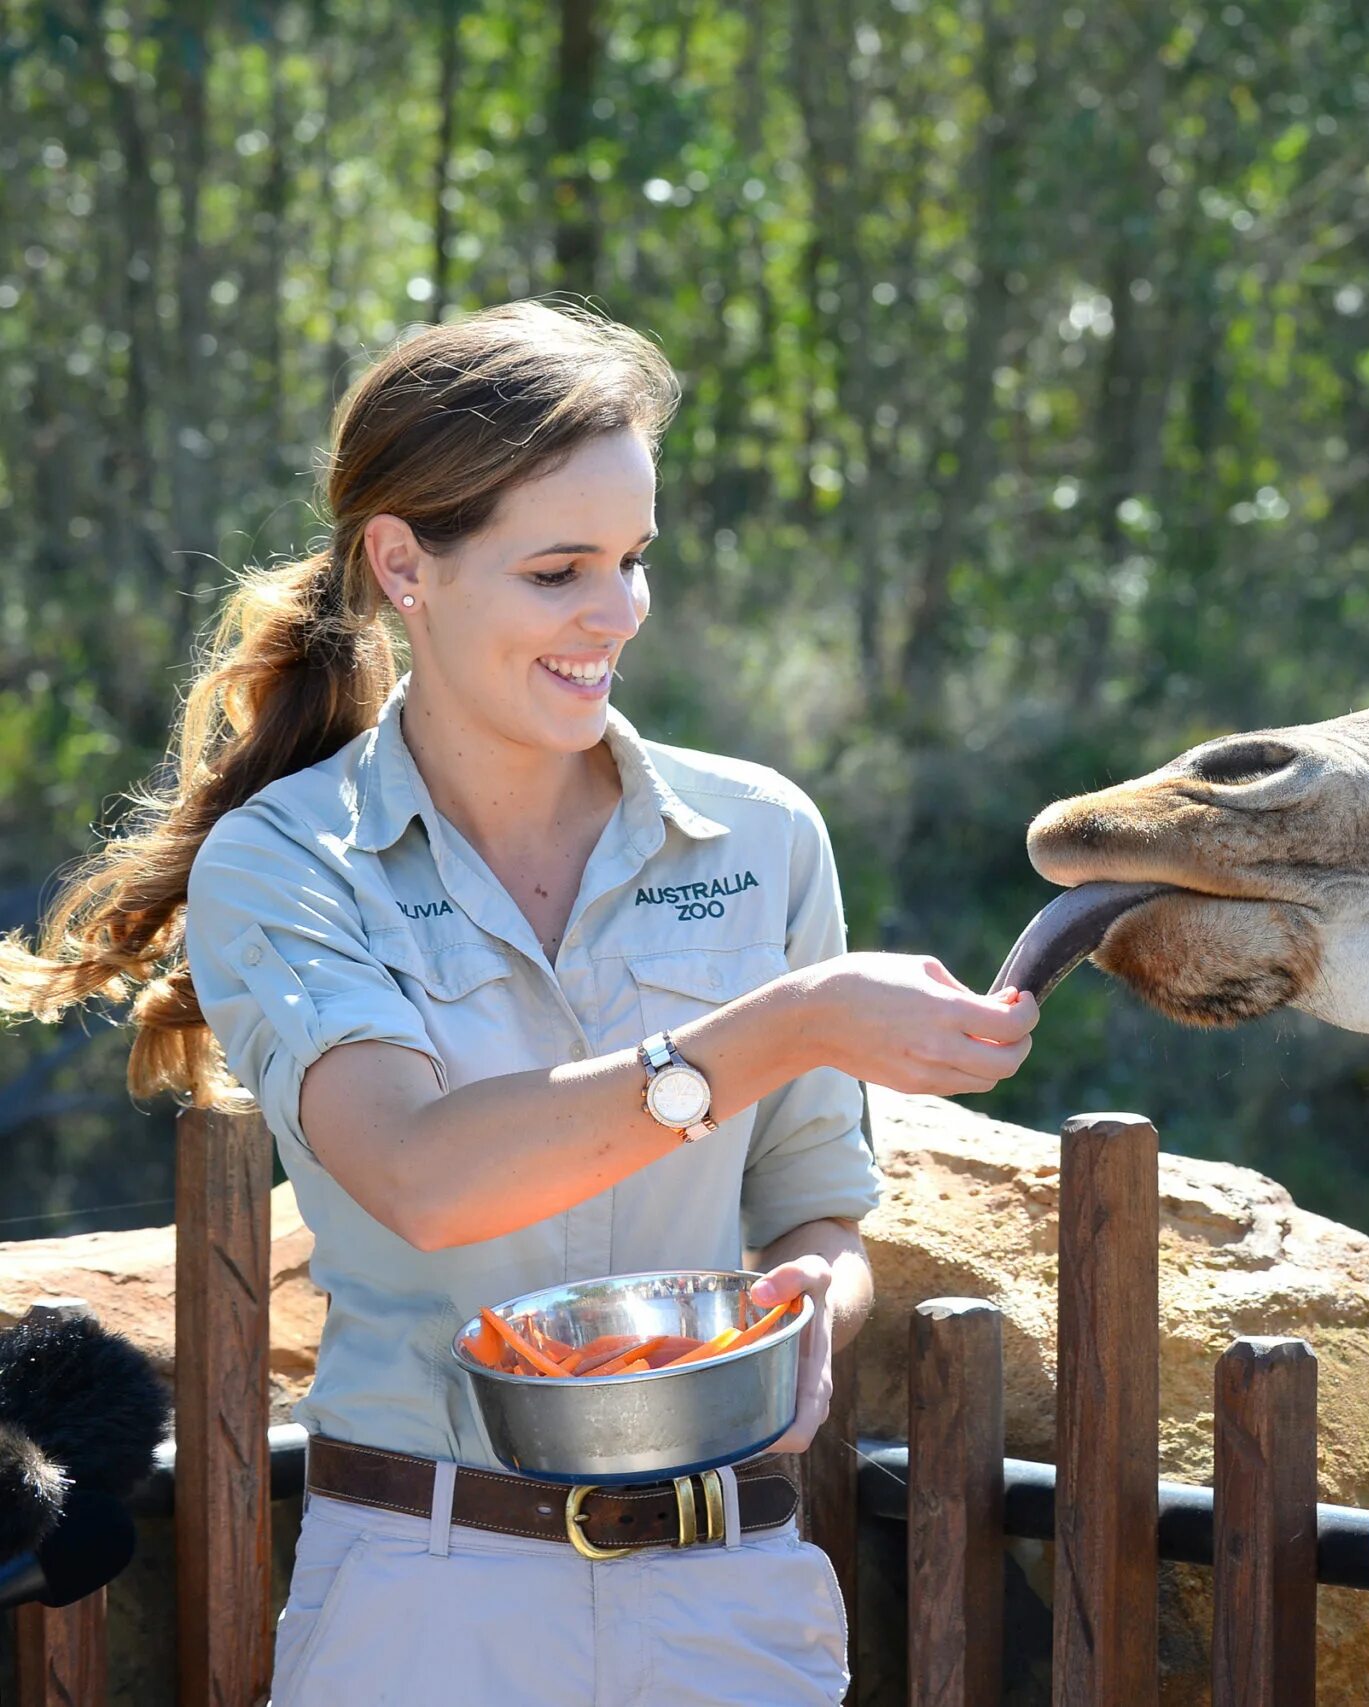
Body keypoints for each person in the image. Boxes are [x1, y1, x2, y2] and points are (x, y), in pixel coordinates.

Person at [0, 300, 1040, 1703]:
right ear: (403, 564)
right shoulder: (288, 862)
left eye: (631, 561)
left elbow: (816, 1199)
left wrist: (815, 1299)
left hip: (730, 1595)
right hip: (431, 1599)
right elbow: (427, 1178)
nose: (616, 614)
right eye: (560, 571)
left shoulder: (765, 835)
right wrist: (780, 1022)